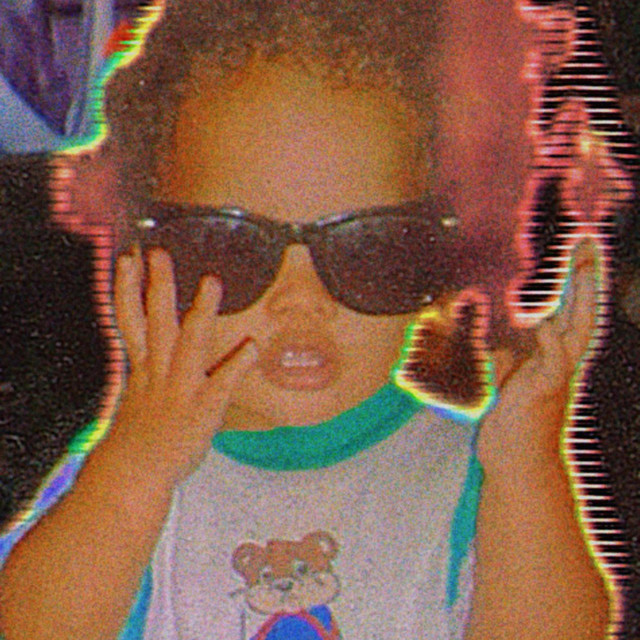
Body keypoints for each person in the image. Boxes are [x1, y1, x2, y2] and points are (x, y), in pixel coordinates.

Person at [0, 0, 616, 638]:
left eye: (366, 248)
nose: (300, 297)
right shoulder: (131, 471)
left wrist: (527, 467)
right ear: (147, 261)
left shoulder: (475, 474)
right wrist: (134, 469)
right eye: (232, 247)